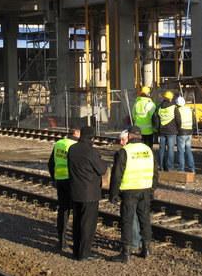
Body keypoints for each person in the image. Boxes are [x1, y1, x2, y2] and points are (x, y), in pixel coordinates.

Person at [109, 125, 158, 263]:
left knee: (127, 221)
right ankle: (146, 249)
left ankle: (126, 253)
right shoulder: (149, 150)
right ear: (140, 136)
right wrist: (152, 189)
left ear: (129, 136)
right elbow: (155, 173)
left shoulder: (124, 151)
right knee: (144, 219)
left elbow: (116, 175)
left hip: (129, 191)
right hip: (145, 190)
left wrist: (113, 194)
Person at [67, 125, 108, 260]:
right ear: (92, 138)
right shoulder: (91, 151)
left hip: (75, 190)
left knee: (77, 222)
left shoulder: (72, 149)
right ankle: (84, 254)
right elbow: (102, 169)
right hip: (90, 193)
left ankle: (76, 251)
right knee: (88, 224)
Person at [47, 127, 80, 252]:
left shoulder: (59, 143)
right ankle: (76, 241)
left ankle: (62, 241)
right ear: (76, 132)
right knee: (76, 211)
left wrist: (55, 178)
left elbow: (51, 164)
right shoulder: (76, 145)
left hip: (60, 181)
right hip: (73, 182)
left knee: (63, 211)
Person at [153, 90, 177, 171]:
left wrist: (157, 128)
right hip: (172, 131)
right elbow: (178, 119)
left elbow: (156, 119)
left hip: (162, 131)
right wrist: (178, 129)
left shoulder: (159, 107)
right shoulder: (174, 107)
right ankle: (170, 167)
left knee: (161, 149)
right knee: (170, 149)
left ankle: (161, 166)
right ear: (170, 99)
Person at [175, 96, 196, 173]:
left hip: (181, 133)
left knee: (181, 151)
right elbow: (194, 120)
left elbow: (176, 121)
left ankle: (181, 168)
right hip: (189, 132)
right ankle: (192, 168)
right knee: (188, 150)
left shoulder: (177, 110)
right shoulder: (189, 109)